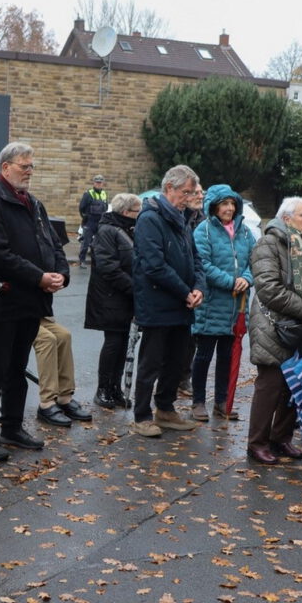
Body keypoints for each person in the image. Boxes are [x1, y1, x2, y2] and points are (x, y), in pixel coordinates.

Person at [0, 142, 71, 460]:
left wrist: (60, 274)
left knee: (17, 367)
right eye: (23, 166)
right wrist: (39, 277)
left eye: (31, 166)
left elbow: (53, 244)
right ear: (5, 167)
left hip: (32, 303)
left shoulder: (33, 203)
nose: (29, 172)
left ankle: (12, 426)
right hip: (4, 300)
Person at [246, 198, 302, 464]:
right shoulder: (268, 244)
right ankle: (257, 443)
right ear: (286, 219)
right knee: (270, 386)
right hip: (274, 326)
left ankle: (281, 438)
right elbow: (270, 289)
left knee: (295, 388)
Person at [130, 165, 205, 437]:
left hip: (182, 304)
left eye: (193, 192)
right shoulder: (150, 219)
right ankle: (141, 415)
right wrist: (186, 292)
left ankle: (165, 409)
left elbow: (195, 259)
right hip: (157, 304)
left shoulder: (181, 219)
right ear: (169, 189)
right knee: (151, 362)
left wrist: (198, 288)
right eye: (185, 192)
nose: (189, 197)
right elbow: (154, 265)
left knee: (176, 361)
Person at [189, 184, 255, 421]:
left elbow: (255, 262)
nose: (229, 208)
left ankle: (221, 401)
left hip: (236, 307)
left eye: (232, 203)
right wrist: (231, 281)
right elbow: (203, 265)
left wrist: (246, 280)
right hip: (212, 304)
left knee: (227, 356)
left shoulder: (246, 232)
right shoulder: (203, 231)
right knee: (204, 355)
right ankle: (197, 402)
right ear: (214, 206)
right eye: (224, 204)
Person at [84, 193, 141, 409]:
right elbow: (108, 267)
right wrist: (134, 287)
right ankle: (103, 390)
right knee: (113, 343)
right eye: (137, 211)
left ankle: (115, 388)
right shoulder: (108, 230)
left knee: (123, 343)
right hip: (110, 297)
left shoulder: (127, 230)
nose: (139, 215)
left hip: (123, 297)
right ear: (126, 212)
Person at [32, 318, 91, 426]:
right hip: (15, 316)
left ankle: (64, 397)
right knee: (46, 339)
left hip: (34, 314)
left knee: (63, 336)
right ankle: (46, 403)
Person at [177, 184, 206, 398]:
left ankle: (183, 377)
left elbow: (199, 259)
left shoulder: (201, 219)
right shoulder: (181, 219)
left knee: (192, 339)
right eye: (195, 192)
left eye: (201, 192)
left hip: (197, 288)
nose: (200, 195)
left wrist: (199, 287)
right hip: (181, 288)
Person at [77, 174, 108, 268]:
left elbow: (105, 207)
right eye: (97, 182)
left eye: (100, 182)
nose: (98, 184)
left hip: (100, 222)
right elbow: (81, 207)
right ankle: (82, 260)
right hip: (90, 221)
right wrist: (84, 217)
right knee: (86, 242)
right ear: (94, 183)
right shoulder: (88, 193)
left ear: (103, 183)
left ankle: (96, 261)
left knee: (99, 243)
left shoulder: (104, 193)